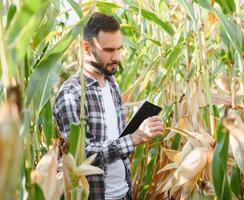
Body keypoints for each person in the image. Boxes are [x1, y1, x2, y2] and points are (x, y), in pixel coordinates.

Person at [53, 12, 164, 200]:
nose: (116, 57)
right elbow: (79, 158)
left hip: (123, 193)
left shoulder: (112, 84)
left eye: (119, 49)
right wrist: (133, 139)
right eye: (109, 50)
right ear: (87, 48)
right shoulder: (71, 95)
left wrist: (138, 133)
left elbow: (115, 140)